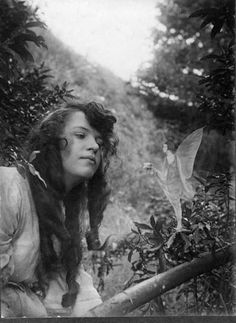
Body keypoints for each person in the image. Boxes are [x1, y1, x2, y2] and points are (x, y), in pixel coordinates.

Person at [0, 101, 118, 317]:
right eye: (81, 135)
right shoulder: (9, 186)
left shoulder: (63, 212)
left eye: (99, 142)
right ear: (52, 142)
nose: (94, 146)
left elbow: (70, 289)